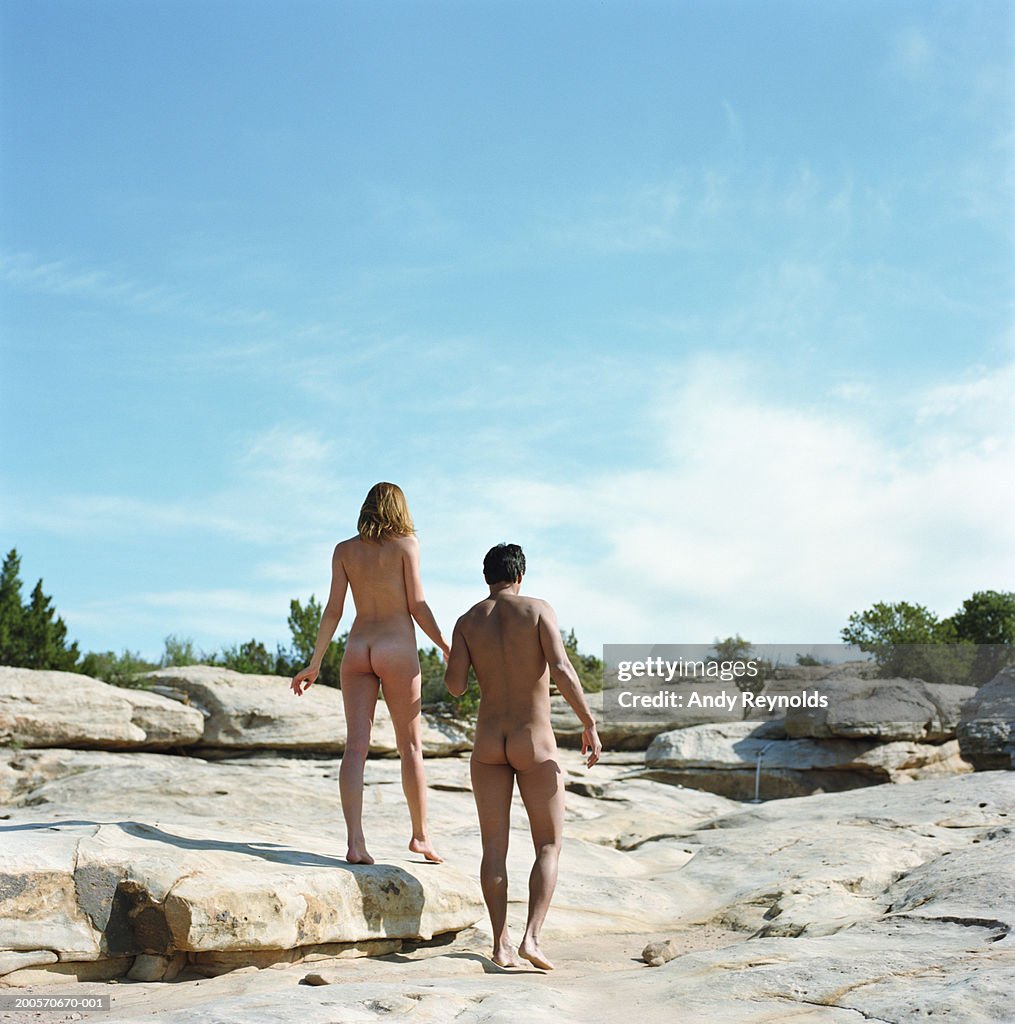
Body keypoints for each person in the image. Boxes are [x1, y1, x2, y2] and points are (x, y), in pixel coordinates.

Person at [444, 543, 602, 970]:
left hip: (489, 743)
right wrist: (588, 722)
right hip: (534, 741)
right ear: (520, 576)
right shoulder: (537, 609)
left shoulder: (466, 621)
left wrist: (461, 649)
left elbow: (455, 685)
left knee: (493, 849)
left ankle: (501, 945)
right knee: (548, 845)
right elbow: (563, 668)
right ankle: (532, 938)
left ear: (486, 577)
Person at [291, 482, 450, 866]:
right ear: (400, 508)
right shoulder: (406, 544)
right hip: (396, 648)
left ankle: (355, 842)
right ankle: (420, 837)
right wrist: (445, 645)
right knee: (410, 746)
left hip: (357, 649)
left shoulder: (344, 551)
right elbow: (417, 605)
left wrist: (315, 661)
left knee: (355, 748)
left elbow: (333, 610)